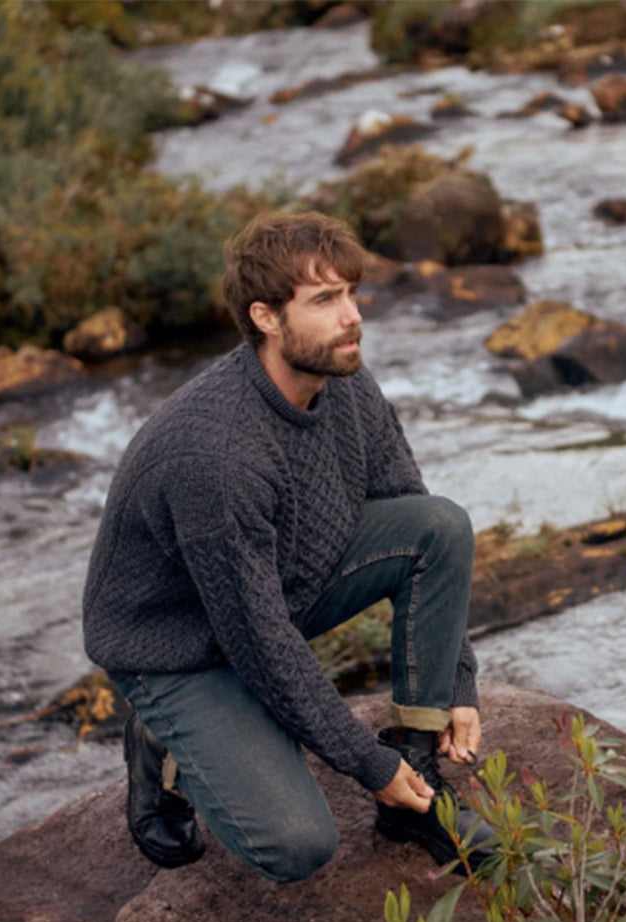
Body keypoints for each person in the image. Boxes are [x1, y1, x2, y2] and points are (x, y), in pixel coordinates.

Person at [82, 210, 493, 881]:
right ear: (266, 317)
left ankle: (415, 794)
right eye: (325, 300)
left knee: (441, 523)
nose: (352, 317)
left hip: (276, 588)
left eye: (353, 294)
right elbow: (260, 641)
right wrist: (366, 764)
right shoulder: (215, 453)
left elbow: (419, 525)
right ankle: (162, 738)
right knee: (297, 844)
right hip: (179, 647)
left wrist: (458, 685)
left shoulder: (345, 378)